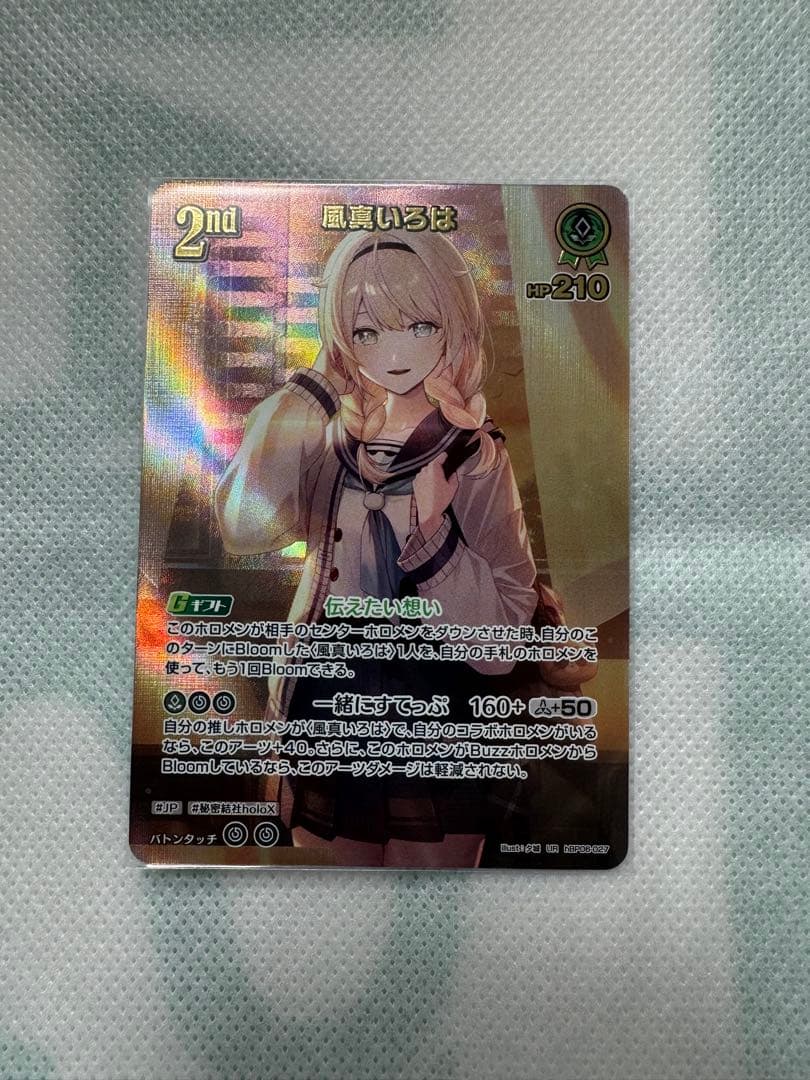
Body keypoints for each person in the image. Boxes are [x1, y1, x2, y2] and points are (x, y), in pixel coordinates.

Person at [215, 228, 538, 867]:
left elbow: (502, 644)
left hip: (443, 704)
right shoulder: (324, 434)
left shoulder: (475, 453)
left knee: (435, 907)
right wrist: (314, 386)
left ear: (453, 326)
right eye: (365, 331)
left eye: (419, 326)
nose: (392, 352)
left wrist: (435, 534)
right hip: (327, 696)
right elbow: (242, 528)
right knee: (334, 903)